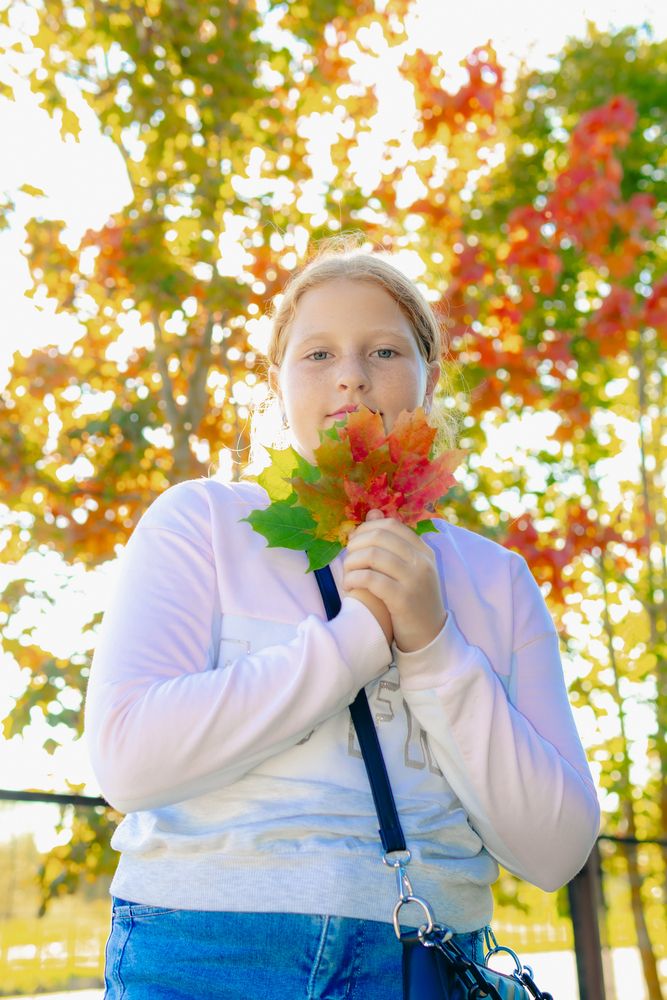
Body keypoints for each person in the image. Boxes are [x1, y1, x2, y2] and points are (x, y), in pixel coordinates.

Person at [85, 239, 600, 1000]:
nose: (351, 375)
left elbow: (555, 849)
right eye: (317, 353)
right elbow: (126, 763)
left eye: (384, 350)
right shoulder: (201, 524)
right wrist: (357, 638)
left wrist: (434, 648)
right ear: (277, 383)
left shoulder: (497, 581)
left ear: (428, 377)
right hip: (209, 947)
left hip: (423, 956)